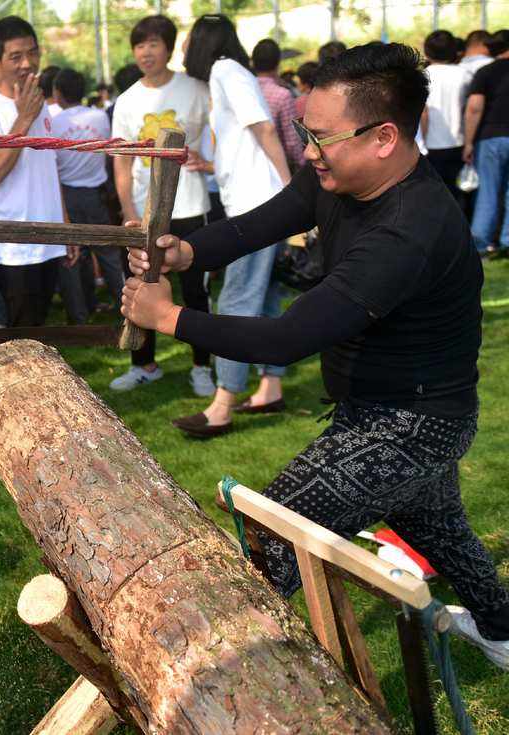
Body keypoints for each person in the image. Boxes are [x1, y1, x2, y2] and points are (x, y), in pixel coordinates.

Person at [121, 42, 509, 670]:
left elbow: (288, 339)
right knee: (440, 529)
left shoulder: (409, 230)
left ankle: (214, 672)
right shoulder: (337, 176)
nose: (307, 150)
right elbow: (258, 223)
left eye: (320, 137)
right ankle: (503, 629)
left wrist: (168, 318)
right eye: (304, 130)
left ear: (384, 137)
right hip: (385, 409)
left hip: (412, 425)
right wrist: (188, 254)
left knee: (274, 534)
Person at [177, 14, 291, 437]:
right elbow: (244, 143)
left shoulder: (226, 70)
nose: (184, 50)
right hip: (258, 202)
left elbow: (263, 129)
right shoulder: (228, 74)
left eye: (188, 42)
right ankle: (271, 386)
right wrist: (208, 164)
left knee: (235, 301)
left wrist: (289, 191)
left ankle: (223, 403)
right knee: (263, 299)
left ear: (206, 42)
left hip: (257, 206)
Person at [109, 16, 214, 398]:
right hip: (144, 211)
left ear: (168, 48)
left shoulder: (196, 90)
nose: (145, 52)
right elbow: (120, 160)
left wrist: (211, 161)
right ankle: (144, 365)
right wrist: (126, 208)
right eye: (139, 45)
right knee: (139, 286)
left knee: (194, 291)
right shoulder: (127, 101)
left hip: (190, 205)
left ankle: (203, 366)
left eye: (153, 44)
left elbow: (221, 136)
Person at [0, 16, 77, 328]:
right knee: (22, 331)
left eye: (33, 53)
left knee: (38, 324)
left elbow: (48, 167)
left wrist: (65, 226)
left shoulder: (38, 104)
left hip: (48, 235)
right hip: (14, 243)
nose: (27, 63)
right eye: (16, 56)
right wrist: (23, 120)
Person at [51, 67, 105, 326]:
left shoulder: (54, 122)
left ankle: (79, 315)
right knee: (109, 253)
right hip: (96, 193)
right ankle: (123, 303)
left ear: (57, 93)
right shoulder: (101, 116)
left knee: (71, 255)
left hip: (67, 194)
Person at [465, 29, 509, 254]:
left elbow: (474, 108)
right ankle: (507, 241)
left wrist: (468, 142)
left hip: (490, 137)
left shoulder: (485, 72)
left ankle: (481, 242)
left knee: (488, 192)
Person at [423, 30, 471, 204]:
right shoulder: (464, 75)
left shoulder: (422, 76)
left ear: (427, 52)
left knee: (431, 194)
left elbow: (422, 113)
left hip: (428, 145)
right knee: (455, 192)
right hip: (458, 143)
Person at [253, 38, 304, 169]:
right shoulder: (282, 95)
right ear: (277, 63)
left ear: (253, 62)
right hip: (278, 167)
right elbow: (292, 142)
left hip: (248, 165)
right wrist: (303, 166)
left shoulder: (243, 91)